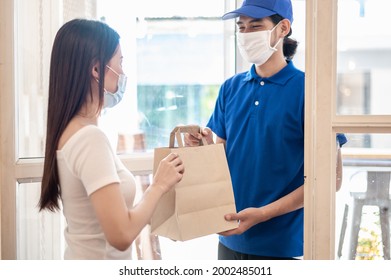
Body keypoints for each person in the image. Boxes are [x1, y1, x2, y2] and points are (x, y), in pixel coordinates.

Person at [185, 0, 347, 260]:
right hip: (229, 238)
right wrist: (203, 148)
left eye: (256, 26)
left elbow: (332, 180)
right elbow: (223, 164)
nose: (246, 35)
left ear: (283, 28)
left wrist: (263, 214)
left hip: (284, 247)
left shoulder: (311, 90)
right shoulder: (230, 88)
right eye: (242, 27)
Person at [39, 18, 185, 260]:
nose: (123, 73)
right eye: (120, 62)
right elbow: (120, 235)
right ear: (96, 70)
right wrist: (159, 184)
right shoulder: (89, 139)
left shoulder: (71, 131)